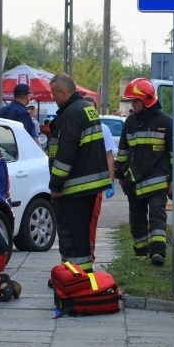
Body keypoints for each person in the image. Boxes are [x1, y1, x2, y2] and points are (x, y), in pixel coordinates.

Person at [48, 73, 111, 273]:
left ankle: (77, 277)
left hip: (74, 187)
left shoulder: (71, 114)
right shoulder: (86, 109)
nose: (53, 98)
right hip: (87, 187)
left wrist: (56, 184)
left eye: (54, 94)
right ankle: (73, 273)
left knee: (71, 237)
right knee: (80, 235)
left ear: (63, 91)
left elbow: (66, 152)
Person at [115, 78, 174, 266]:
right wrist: (121, 176)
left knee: (158, 217)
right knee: (137, 219)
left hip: (158, 181)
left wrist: (173, 180)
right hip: (134, 181)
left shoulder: (166, 122)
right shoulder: (130, 123)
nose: (132, 105)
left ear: (147, 100)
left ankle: (158, 253)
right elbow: (123, 151)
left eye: (135, 100)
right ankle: (141, 251)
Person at [84, 96, 115, 262]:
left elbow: (108, 155)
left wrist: (110, 181)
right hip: (79, 185)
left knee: (92, 223)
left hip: (96, 184)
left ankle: (90, 256)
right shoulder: (77, 127)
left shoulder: (103, 129)